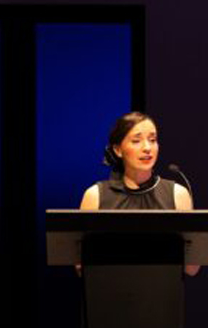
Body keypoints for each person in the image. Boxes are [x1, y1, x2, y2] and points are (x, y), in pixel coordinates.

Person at [80, 111, 199, 276]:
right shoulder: (95, 196)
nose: (147, 148)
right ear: (118, 150)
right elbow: (81, 267)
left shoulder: (177, 194)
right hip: (108, 295)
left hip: (164, 296)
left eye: (153, 140)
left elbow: (192, 268)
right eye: (136, 141)